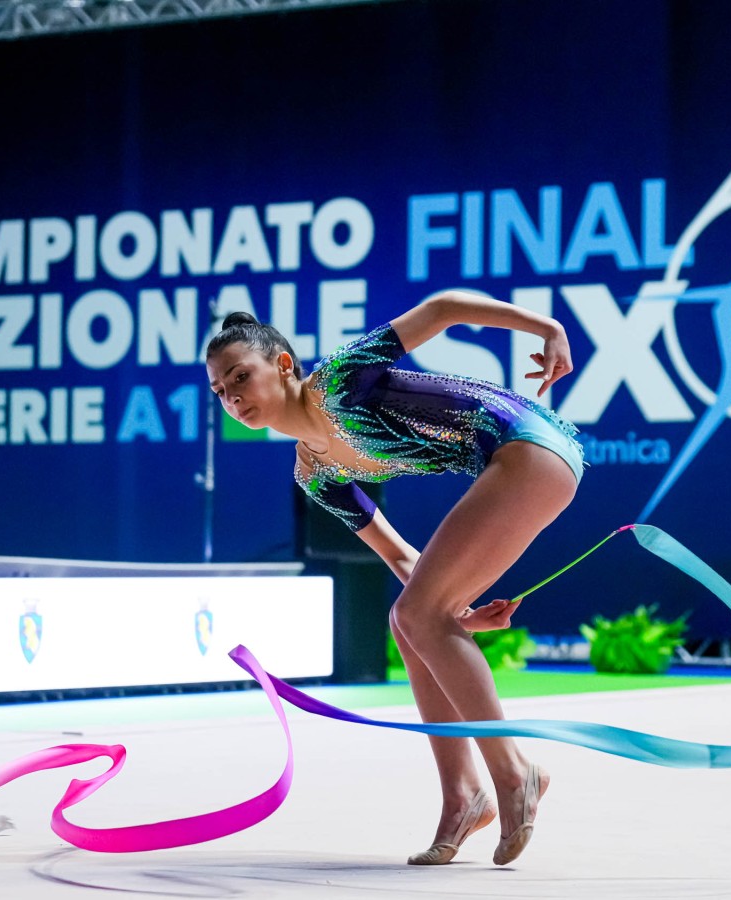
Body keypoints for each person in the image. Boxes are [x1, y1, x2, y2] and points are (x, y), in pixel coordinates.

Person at [205, 290, 585, 866]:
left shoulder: (337, 382)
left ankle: (514, 772)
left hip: (529, 446)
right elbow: (400, 557)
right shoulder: (314, 473)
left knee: (415, 615)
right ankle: (463, 795)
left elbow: (444, 308)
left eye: (240, 376)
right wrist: (452, 614)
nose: (232, 396)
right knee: (408, 621)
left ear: (282, 365)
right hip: (522, 466)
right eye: (220, 391)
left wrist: (547, 326)